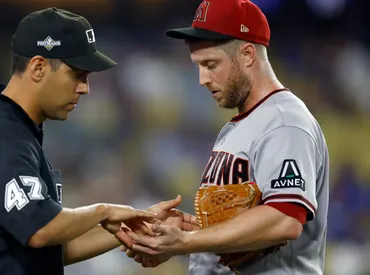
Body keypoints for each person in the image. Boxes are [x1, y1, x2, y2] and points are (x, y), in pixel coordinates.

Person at [0, 7, 198, 275]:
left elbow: (47, 247)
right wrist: (104, 211)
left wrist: (133, 226)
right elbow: (40, 229)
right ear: (38, 67)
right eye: (77, 74)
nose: (85, 87)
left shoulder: (17, 132)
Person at [122, 0, 329, 274]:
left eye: (210, 64)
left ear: (247, 54)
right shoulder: (240, 125)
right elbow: (240, 225)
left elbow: (284, 218)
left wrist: (186, 241)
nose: (202, 79)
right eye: (198, 65)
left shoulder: (284, 122)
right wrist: (185, 230)